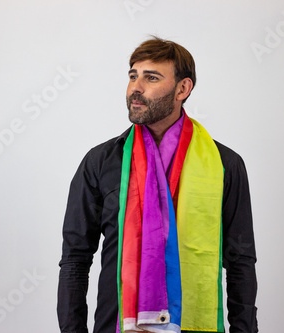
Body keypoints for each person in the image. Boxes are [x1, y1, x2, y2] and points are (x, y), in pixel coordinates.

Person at [58, 37, 258, 333]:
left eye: (151, 78)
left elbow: (240, 262)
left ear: (183, 89)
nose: (135, 88)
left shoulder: (225, 164)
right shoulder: (100, 162)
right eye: (132, 76)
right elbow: (76, 258)